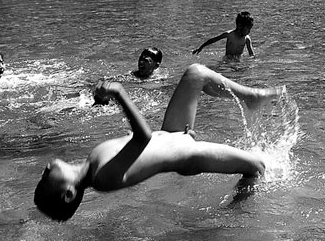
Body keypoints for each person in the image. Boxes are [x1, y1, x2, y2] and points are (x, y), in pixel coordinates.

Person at [34, 63, 279, 221]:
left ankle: (251, 98)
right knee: (256, 167)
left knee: (196, 73)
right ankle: (234, 215)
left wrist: (101, 98)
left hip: (173, 134)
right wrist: (119, 93)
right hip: (188, 154)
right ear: (68, 194)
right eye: (46, 180)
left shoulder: (92, 161)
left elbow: (144, 147)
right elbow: (142, 138)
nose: (44, 171)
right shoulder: (102, 178)